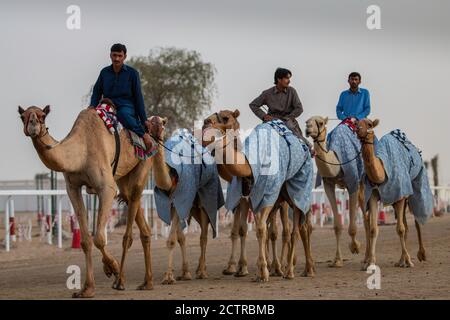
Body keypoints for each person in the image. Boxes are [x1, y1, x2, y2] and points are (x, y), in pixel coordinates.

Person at [89, 43, 153, 149]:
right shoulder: (104, 72)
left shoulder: (132, 74)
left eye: (120, 56)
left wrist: (144, 119)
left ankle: (143, 135)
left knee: (123, 114)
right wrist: (92, 105)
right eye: (114, 55)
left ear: (125, 56)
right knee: (91, 117)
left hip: (126, 106)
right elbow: (96, 91)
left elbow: (138, 97)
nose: (117, 59)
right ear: (110, 55)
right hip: (108, 105)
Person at [249, 67, 312, 151]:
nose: (289, 81)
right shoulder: (267, 93)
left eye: (289, 78)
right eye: (286, 78)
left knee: (295, 134)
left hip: (287, 120)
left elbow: (299, 108)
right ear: (279, 79)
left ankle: (308, 148)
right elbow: (253, 105)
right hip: (272, 121)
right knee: (260, 132)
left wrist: (289, 117)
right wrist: (264, 116)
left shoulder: (292, 91)